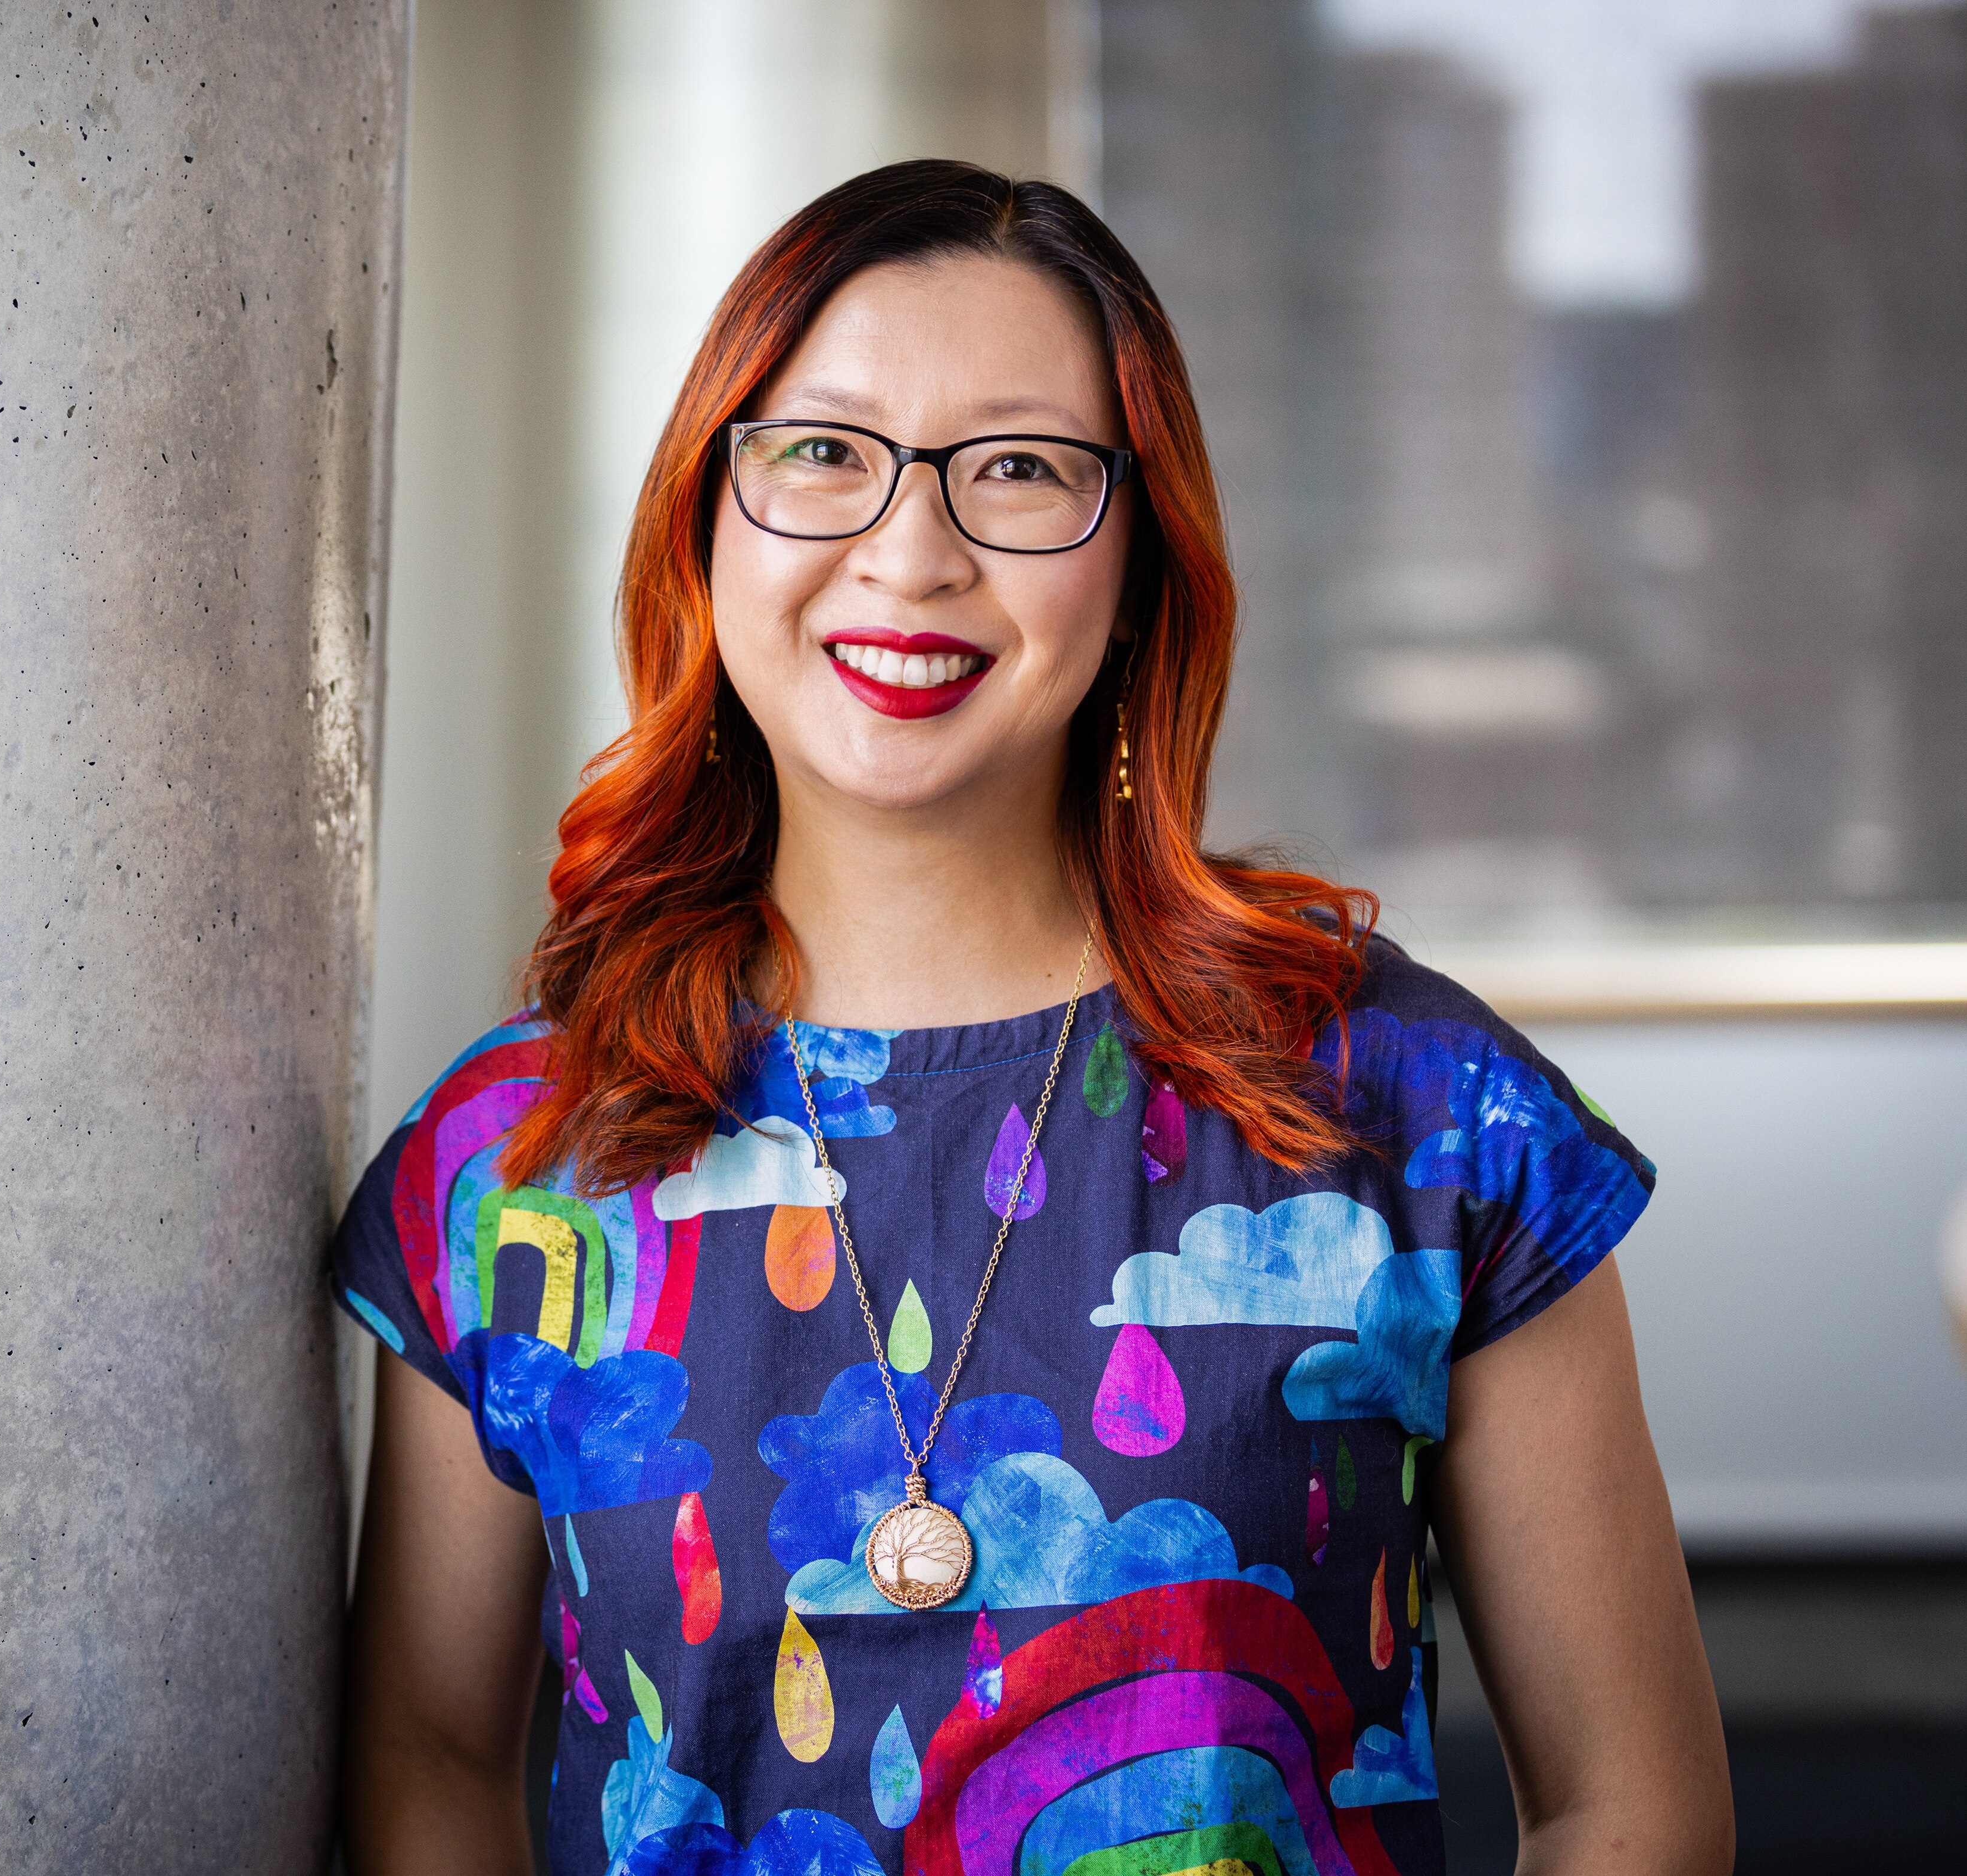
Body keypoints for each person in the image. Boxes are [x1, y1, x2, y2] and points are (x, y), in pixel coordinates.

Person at [336, 160, 1732, 1876]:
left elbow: (1632, 1807)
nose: (907, 554)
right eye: (823, 454)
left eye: (1016, 471)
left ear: (1140, 560)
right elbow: (428, 1764)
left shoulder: (1418, 1110)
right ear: (705, 524)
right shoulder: (507, 1161)